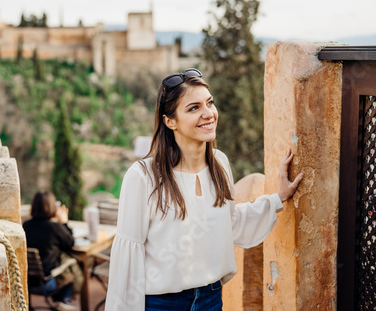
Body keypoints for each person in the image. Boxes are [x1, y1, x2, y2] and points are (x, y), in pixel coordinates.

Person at [104, 68, 304, 311]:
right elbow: (128, 256)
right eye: (194, 108)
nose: (208, 114)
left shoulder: (219, 163)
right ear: (170, 121)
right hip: (161, 304)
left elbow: (229, 224)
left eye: (209, 103)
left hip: (211, 298)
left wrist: (278, 197)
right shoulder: (143, 176)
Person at [23, 191, 78, 311]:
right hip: (47, 284)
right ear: (52, 207)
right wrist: (64, 222)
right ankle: (62, 300)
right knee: (70, 263)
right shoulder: (55, 228)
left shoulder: (25, 226)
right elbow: (70, 244)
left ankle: (59, 301)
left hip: (26, 282)